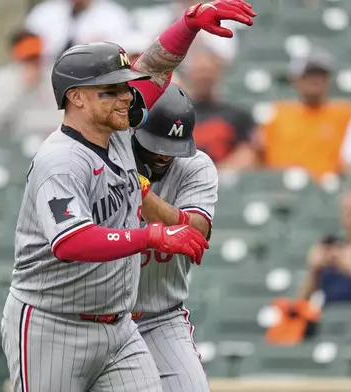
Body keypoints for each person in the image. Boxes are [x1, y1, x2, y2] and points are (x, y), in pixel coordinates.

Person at [1, 2, 257, 391]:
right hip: (53, 324)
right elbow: (71, 241)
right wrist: (150, 235)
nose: (126, 96)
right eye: (112, 89)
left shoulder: (119, 127)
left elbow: (154, 68)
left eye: (125, 87)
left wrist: (187, 26)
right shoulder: (61, 160)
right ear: (77, 98)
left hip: (118, 328)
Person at [131, 83, 217, 392]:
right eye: (156, 144)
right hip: (95, 317)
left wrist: (141, 195)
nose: (164, 154)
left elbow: (197, 231)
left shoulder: (195, 166)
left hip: (160, 316)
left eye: (171, 146)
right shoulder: (106, 158)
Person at [256, 47, 351, 180]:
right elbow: (257, 151)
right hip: (284, 190)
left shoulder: (345, 113)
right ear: (296, 79)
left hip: (330, 188)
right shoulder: (277, 114)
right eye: (309, 74)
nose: (315, 80)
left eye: (321, 75)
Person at [181, 46, 257, 170]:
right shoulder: (176, 115)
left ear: (218, 73)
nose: (204, 76)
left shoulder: (238, 115)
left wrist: (215, 174)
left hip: (222, 181)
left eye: (208, 70)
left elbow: (247, 154)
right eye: (200, 71)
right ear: (189, 74)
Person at [0, 29, 59, 134]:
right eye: (27, 58)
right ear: (13, 55)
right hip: (10, 144)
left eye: (37, 57)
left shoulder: (52, 78)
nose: (33, 63)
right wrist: (22, 87)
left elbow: (61, 118)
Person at [25, 0, 133, 63]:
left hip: (95, 75)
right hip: (45, 74)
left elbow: (123, 56)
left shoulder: (114, 15)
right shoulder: (44, 11)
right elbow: (25, 46)